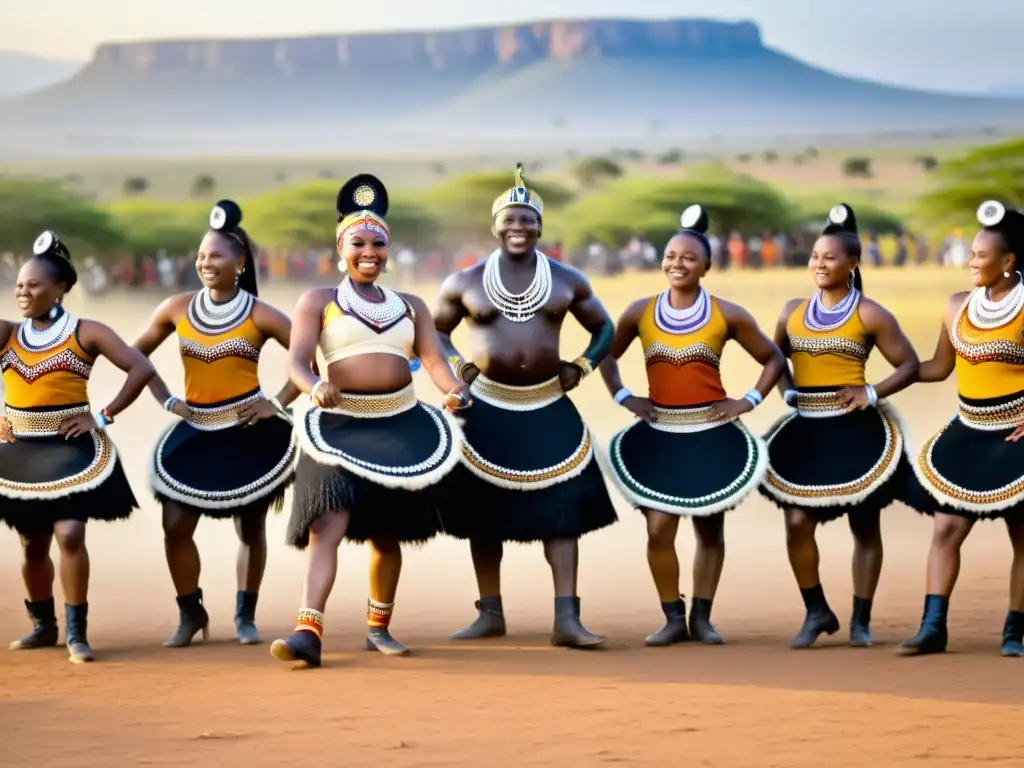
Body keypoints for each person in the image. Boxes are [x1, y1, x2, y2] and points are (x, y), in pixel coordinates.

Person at [270, 174, 471, 668]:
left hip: (399, 428)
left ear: (388, 249)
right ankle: (307, 632)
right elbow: (296, 363)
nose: (368, 252)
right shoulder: (317, 301)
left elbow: (436, 364)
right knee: (328, 524)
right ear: (341, 248)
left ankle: (378, 626)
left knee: (386, 533)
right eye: (357, 243)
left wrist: (454, 393)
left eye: (377, 243)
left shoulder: (414, 307)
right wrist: (315, 385)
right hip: (337, 430)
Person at [434, 163, 618, 647]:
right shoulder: (464, 282)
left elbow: (605, 327)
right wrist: (459, 365)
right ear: (495, 226)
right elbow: (433, 332)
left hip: (548, 405)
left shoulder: (567, 279)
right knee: (482, 513)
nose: (518, 228)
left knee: (562, 513)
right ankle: (489, 613)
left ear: (541, 226)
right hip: (487, 406)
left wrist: (583, 365)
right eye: (509, 220)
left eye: (527, 220)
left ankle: (567, 619)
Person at [598, 205, 784, 646]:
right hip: (659, 433)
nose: (676, 264)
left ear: (707, 266)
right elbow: (606, 354)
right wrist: (624, 396)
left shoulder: (728, 314)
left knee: (709, 528)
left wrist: (748, 400)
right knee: (659, 528)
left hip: (712, 432)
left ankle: (703, 617)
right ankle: (671, 617)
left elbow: (773, 357)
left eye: (687, 258)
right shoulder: (640, 312)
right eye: (670, 255)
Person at [132, 201, 299, 648]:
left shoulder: (261, 314)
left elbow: (305, 363)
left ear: (241, 263)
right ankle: (191, 613)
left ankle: (246, 616)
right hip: (195, 430)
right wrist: (166, 398)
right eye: (201, 256)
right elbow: (132, 356)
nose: (205, 263)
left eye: (217, 256)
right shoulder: (175, 308)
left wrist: (277, 404)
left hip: (249, 432)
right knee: (175, 525)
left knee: (251, 527)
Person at [760, 204, 920, 649]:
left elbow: (907, 364)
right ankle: (817, 611)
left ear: (853, 264)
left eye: (829, 257)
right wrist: (787, 394)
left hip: (856, 431)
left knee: (864, 525)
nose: (819, 264)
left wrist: (870, 393)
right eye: (814, 256)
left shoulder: (871, 313)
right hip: (806, 430)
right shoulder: (792, 311)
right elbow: (774, 360)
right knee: (796, 521)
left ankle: (861, 620)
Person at [0, 231, 154, 663]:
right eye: (18, 284)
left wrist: (102, 416)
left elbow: (140, 368)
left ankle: (76, 632)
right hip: (20, 450)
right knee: (32, 542)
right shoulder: (7, 334)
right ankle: (43, 626)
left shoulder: (88, 332)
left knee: (70, 533)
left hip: (70, 449)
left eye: (33, 284)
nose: (22, 291)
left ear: (60, 289)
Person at [900, 201, 1024, 657]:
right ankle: (933, 627)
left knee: (1022, 533)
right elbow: (937, 367)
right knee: (947, 528)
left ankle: (1014, 632)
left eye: (980, 254)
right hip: (969, 432)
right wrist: (887, 379)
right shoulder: (957, 306)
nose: (971, 261)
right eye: (970, 253)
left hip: (1016, 436)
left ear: (1008, 262)